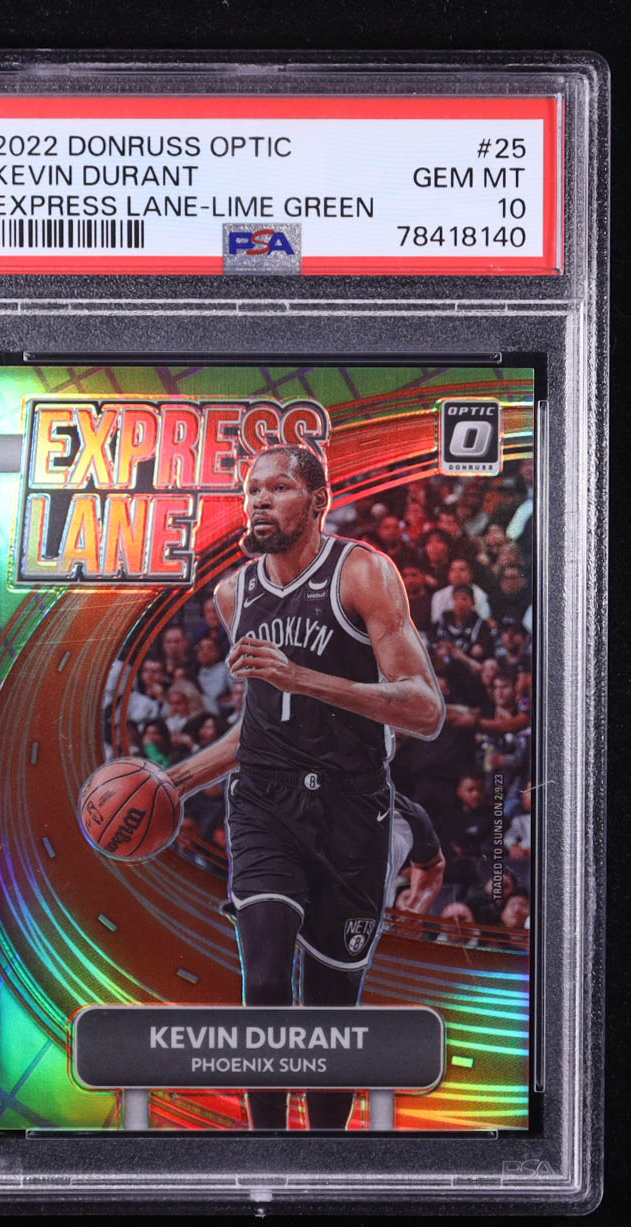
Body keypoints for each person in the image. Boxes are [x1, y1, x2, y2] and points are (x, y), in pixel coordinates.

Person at [167, 444, 445, 1131]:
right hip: (265, 800)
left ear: (319, 501)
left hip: (352, 807)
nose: (259, 500)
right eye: (252, 490)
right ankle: (264, 1148)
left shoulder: (363, 573)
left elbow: (424, 709)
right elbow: (259, 724)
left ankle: (324, 1156)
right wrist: (173, 782)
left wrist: (304, 678)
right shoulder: (232, 593)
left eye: (279, 487)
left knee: (330, 1010)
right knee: (263, 978)